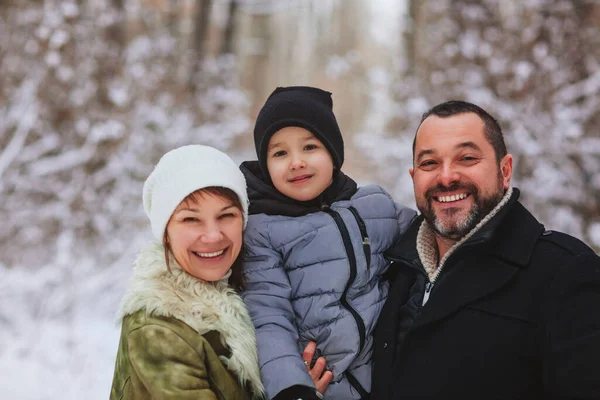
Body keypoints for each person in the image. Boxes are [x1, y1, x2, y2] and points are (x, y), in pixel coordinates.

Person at [371, 100, 600, 399]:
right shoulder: (388, 272)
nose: (447, 176)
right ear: (414, 178)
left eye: (466, 158)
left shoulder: (565, 272)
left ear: (505, 171)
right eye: (429, 163)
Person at [240, 86, 416, 400]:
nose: (296, 162)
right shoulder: (262, 230)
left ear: (333, 154)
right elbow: (269, 316)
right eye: (280, 153)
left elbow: (430, 240)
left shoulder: (375, 206)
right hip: (325, 383)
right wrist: (292, 387)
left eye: (309, 147)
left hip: (392, 372)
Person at [110, 145, 265, 399]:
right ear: (165, 232)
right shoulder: (159, 330)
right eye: (191, 219)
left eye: (226, 215)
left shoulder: (256, 291)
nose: (214, 235)